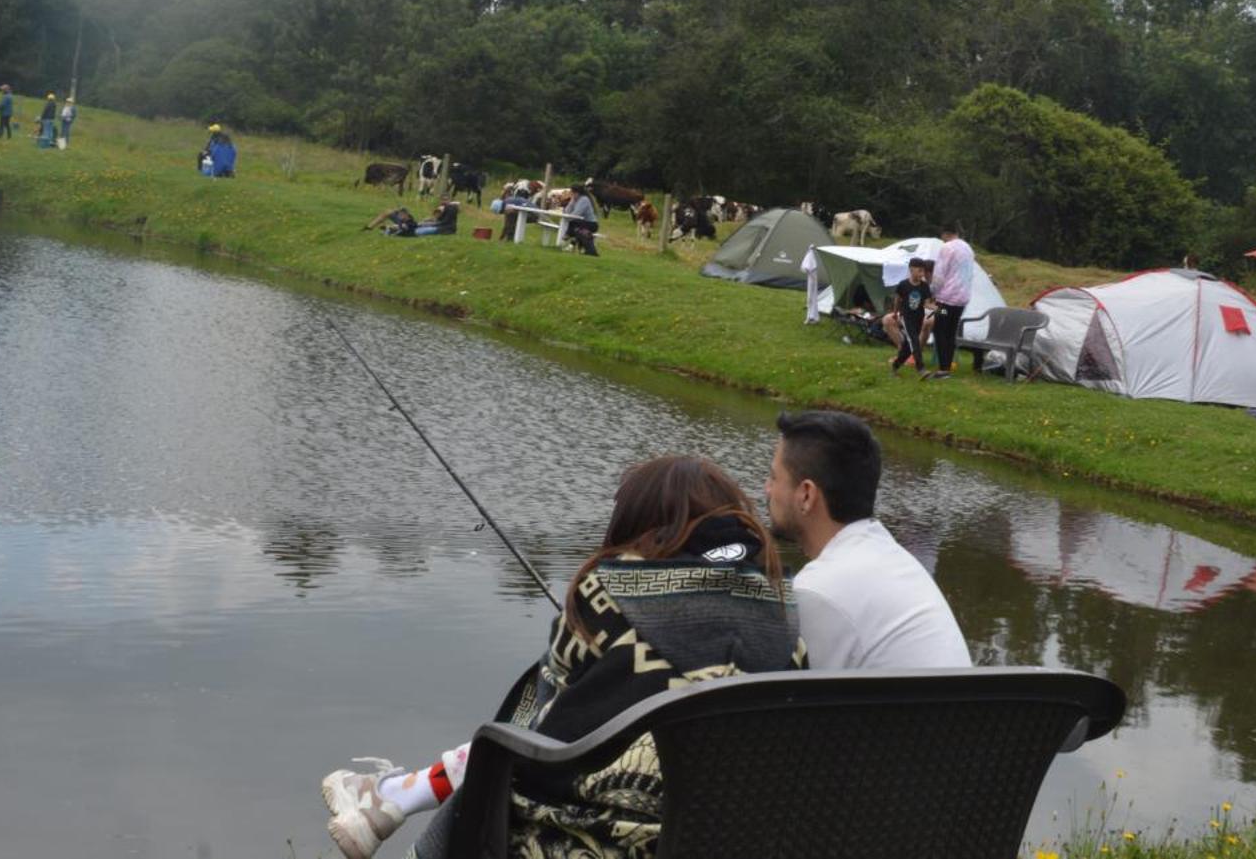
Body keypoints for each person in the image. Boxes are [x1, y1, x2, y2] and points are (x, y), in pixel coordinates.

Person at [319, 455, 800, 859]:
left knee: (504, 741)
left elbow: (534, 726)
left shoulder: (606, 590)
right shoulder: (783, 612)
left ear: (638, 523)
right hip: (735, 838)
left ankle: (397, 807)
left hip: (594, 840)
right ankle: (392, 797)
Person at [764, 409, 969, 670]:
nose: (767, 488)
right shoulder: (893, 559)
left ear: (806, 495)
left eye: (774, 477)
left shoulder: (818, 591)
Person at [925, 222, 975, 380]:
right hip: (962, 299)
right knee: (951, 331)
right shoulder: (968, 248)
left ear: (945, 234)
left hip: (946, 300)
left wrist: (931, 291)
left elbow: (939, 275)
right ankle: (946, 366)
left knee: (940, 330)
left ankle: (943, 369)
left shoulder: (947, 248)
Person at [885, 258, 935, 375]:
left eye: (923, 271)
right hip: (907, 318)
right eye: (920, 271)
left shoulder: (924, 286)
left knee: (908, 348)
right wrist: (895, 313)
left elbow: (927, 304)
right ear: (911, 270)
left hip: (919, 319)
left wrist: (942, 310)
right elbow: (897, 299)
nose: (922, 274)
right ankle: (921, 369)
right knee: (915, 341)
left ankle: (895, 366)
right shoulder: (903, 285)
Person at [564, 183, 599, 255]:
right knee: (573, 224)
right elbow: (567, 211)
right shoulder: (575, 199)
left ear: (577, 193)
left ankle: (568, 236)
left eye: (572, 192)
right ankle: (570, 240)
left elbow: (576, 214)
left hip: (591, 224)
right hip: (582, 223)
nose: (571, 194)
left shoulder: (584, 200)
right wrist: (572, 201)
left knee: (573, 223)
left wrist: (568, 216)